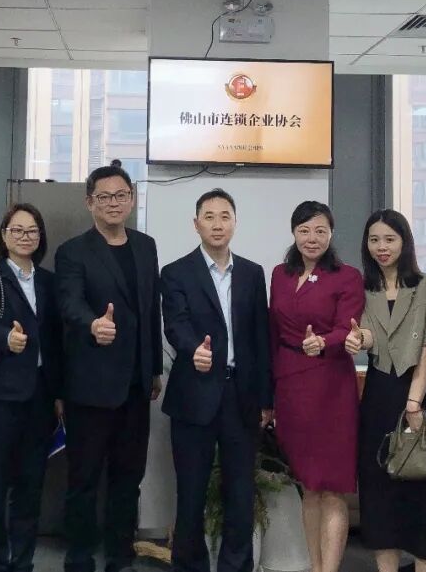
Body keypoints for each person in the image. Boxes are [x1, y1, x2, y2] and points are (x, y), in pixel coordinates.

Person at [55, 162, 163, 572]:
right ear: (90, 203)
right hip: (91, 384)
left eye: (121, 195)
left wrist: (154, 367)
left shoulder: (146, 246)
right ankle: (80, 556)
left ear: (131, 200)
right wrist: (92, 324)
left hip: (136, 383)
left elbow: (150, 311)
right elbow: (69, 303)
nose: (114, 203)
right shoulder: (73, 251)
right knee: (84, 479)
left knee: (128, 477)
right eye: (105, 197)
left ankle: (120, 555)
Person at [160, 189, 272, 572]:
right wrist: (194, 349)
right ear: (196, 224)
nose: (218, 224)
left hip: (241, 396)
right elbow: (175, 323)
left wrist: (266, 399)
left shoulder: (252, 274)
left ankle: (236, 566)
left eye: (225, 216)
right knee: (191, 493)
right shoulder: (176, 272)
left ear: (235, 223)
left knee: (240, 493)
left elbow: (260, 339)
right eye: (209, 216)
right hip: (194, 395)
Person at [344, 208, 426, 572]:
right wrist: (358, 339)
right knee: (379, 496)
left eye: (390, 239)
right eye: (374, 240)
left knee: (425, 495)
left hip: (418, 394)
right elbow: (370, 335)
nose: (382, 247)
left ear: (405, 242)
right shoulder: (363, 288)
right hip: (378, 395)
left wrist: (415, 403)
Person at [269, 201, 364, 572]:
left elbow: (348, 326)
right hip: (290, 385)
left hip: (331, 384)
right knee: (307, 484)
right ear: (294, 233)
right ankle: (314, 565)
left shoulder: (346, 276)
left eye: (320, 231)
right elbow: (272, 331)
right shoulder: (279, 274)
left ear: (331, 234)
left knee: (332, 486)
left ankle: (330, 569)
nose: (312, 238)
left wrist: (324, 341)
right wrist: (269, 391)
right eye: (305, 230)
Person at [0, 203, 64, 572]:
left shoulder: (49, 282)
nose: (25, 237)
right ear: (4, 235)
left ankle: (22, 562)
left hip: (39, 398)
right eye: (17, 230)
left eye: (32, 231)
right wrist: (6, 338)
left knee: (30, 487)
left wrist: (59, 393)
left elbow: (56, 342)